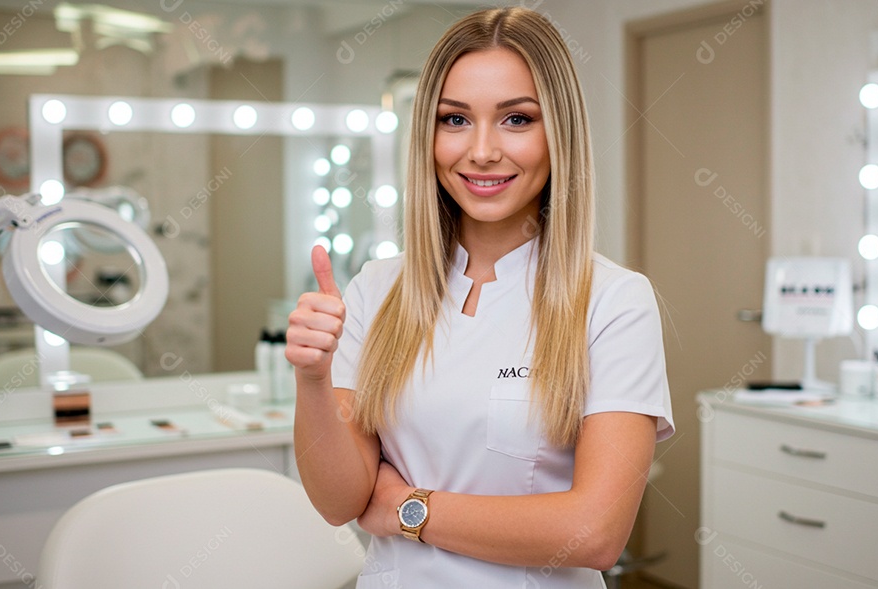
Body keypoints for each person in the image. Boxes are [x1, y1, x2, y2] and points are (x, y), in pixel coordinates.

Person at [285, 7, 674, 588]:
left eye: (517, 119)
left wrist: (406, 508)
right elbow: (340, 500)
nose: (483, 151)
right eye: (455, 120)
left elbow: (594, 533)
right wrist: (313, 380)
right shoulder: (378, 288)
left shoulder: (614, 301)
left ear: (558, 133)